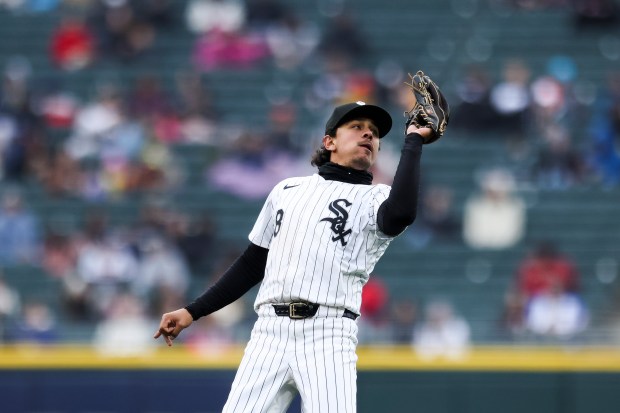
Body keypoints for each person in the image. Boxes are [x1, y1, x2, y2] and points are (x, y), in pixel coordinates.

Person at [154, 97, 441, 412]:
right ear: (328, 141)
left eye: (374, 132)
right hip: (269, 332)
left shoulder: (377, 198)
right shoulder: (286, 191)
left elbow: (401, 214)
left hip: (329, 334)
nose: (368, 135)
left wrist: (413, 141)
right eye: (357, 127)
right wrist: (193, 311)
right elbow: (252, 265)